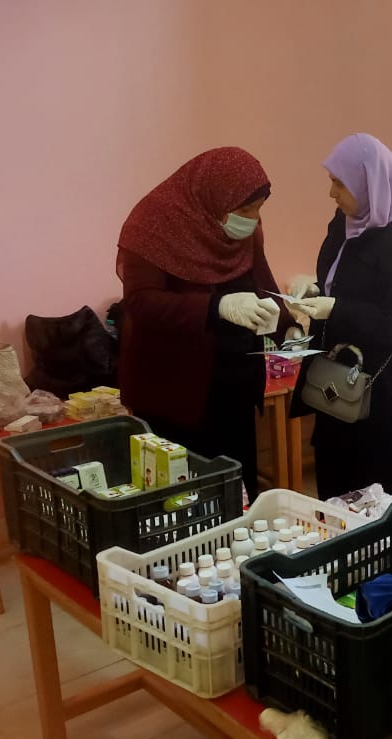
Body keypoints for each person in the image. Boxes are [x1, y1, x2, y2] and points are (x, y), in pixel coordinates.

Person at [116, 147, 281, 499]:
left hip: (235, 382)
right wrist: (215, 307)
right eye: (245, 210)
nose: (253, 219)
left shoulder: (243, 227)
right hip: (176, 389)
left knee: (236, 488)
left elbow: (260, 278)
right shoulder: (152, 227)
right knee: (185, 496)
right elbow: (141, 303)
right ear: (215, 198)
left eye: (258, 209)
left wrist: (288, 324)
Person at [287, 134, 392, 500]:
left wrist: (337, 308)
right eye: (332, 181)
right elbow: (342, 280)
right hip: (336, 383)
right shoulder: (344, 222)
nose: (332, 193)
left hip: (382, 399)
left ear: (369, 184)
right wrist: (316, 290)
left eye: (340, 183)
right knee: (332, 491)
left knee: (372, 498)